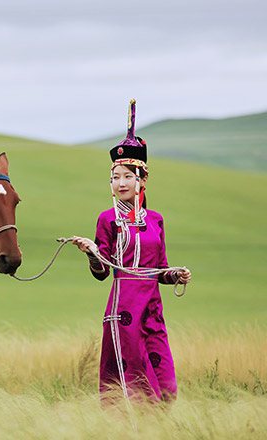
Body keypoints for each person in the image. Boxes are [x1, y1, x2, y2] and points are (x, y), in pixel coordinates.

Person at [72, 99, 191, 405]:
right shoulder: (107, 219)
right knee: (134, 385)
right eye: (115, 177)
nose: (120, 183)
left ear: (143, 180)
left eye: (128, 176)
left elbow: (160, 269)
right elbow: (102, 273)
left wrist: (175, 274)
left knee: (166, 387)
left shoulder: (156, 220)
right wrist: (92, 253)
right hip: (123, 307)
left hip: (152, 308)